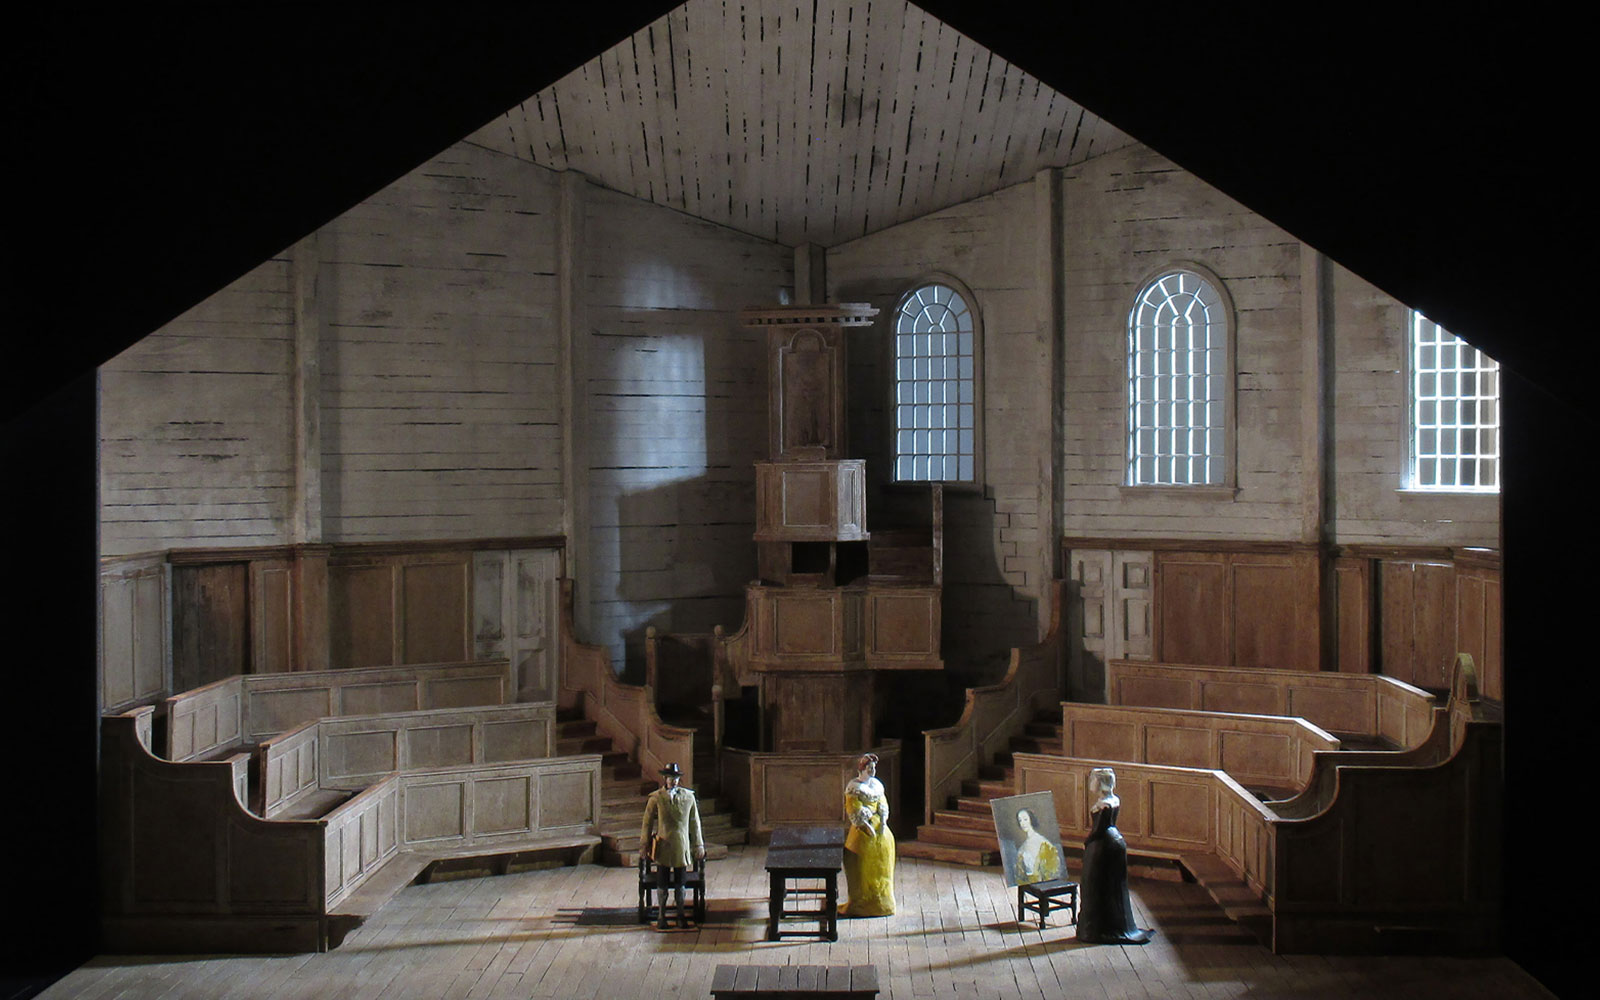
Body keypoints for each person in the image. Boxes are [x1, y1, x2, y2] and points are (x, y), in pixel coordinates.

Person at [1076, 767, 1153, 944]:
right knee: (1112, 884)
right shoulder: (1113, 799)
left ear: (1101, 782)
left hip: (1103, 845)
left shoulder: (1105, 804)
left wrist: (1087, 843)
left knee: (1095, 883)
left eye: (1093, 780)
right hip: (1114, 842)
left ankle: (1097, 929)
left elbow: (1098, 830)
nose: (1091, 783)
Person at [639, 762, 704, 930]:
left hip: (681, 845)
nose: (673, 781)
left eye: (675, 778)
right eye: (670, 777)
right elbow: (647, 823)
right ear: (665, 778)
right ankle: (661, 915)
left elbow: (695, 823)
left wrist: (698, 845)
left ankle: (680, 914)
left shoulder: (688, 797)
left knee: (680, 882)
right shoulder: (656, 798)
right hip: (663, 845)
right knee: (662, 881)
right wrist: (644, 844)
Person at [839, 752, 895, 916]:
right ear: (862, 769)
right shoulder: (854, 788)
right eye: (870, 768)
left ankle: (883, 902)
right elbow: (853, 809)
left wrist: (882, 820)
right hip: (862, 832)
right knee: (860, 870)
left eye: (874, 768)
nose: (873, 771)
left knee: (882, 869)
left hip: (881, 833)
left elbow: (882, 804)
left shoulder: (876, 785)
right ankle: (860, 903)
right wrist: (866, 824)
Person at [1012, 806, 1062, 884]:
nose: (1023, 823)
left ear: (1031, 819)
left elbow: (1052, 869)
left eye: (1025, 819)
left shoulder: (1042, 842)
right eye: (1020, 820)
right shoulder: (1023, 846)